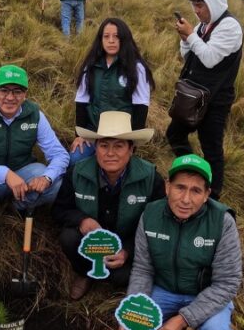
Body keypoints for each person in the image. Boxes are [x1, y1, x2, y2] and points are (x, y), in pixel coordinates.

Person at [121, 154, 242, 330]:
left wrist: (184, 319)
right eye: (180, 187)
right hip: (164, 288)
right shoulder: (150, 214)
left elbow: (227, 282)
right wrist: (133, 306)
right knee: (134, 324)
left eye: (196, 191)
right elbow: (143, 269)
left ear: (206, 195)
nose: (186, 199)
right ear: (167, 187)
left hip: (206, 292)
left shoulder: (223, 222)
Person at [53, 111, 164, 300]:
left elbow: (157, 226)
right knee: (68, 238)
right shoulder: (77, 172)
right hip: (91, 242)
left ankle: (113, 273)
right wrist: (82, 220)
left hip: (128, 242)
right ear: (96, 148)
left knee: (121, 277)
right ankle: (85, 273)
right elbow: (59, 210)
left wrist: (127, 251)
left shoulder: (151, 178)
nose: (110, 153)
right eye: (104, 146)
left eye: (119, 146)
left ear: (131, 149)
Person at [167, 0, 243, 200]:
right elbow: (190, 57)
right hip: (193, 98)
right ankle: (194, 175)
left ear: (213, 2)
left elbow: (209, 59)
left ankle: (212, 198)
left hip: (215, 101)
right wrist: (185, 39)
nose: (196, 11)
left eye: (200, 6)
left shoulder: (230, 27)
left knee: (211, 149)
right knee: (174, 135)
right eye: (194, 6)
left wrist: (191, 35)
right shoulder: (203, 26)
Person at [0, 64, 69, 212]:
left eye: (17, 91)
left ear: (25, 94)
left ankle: (17, 208)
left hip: (22, 174)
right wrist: (5, 174)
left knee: (54, 181)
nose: (10, 97)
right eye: (4, 90)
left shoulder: (35, 114)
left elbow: (59, 154)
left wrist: (47, 178)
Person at [71, 18, 155, 164]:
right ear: (100, 39)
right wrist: (79, 135)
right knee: (76, 159)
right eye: (106, 36)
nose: (111, 41)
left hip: (121, 135)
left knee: (115, 167)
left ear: (124, 39)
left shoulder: (136, 68)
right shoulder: (90, 66)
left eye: (116, 36)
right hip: (94, 131)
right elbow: (81, 101)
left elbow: (141, 107)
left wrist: (132, 144)